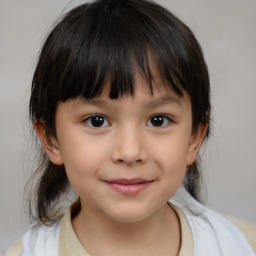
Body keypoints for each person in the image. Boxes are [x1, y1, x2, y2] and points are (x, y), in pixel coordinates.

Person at [6, 0, 255, 255]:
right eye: (96, 120)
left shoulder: (242, 246)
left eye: (158, 120)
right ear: (51, 139)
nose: (130, 151)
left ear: (194, 138)